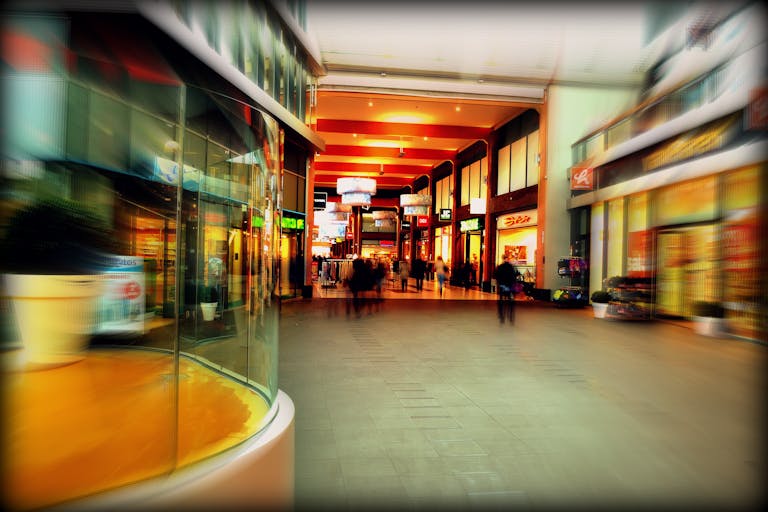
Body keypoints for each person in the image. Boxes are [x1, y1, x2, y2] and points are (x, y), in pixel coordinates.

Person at [494, 255, 517, 324]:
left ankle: (501, 314)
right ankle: (510, 315)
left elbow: (496, 276)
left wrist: (499, 283)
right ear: (507, 259)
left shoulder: (500, 267)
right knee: (510, 299)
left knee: (501, 300)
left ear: (503, 259)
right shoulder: (511, 267)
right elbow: (513, 276)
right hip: (509, 286)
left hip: (502, 286)